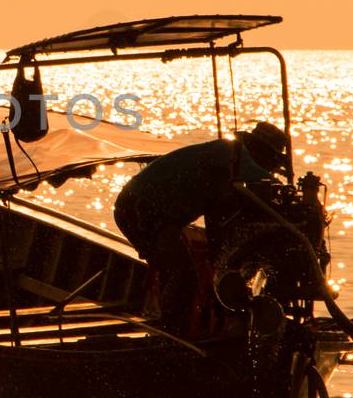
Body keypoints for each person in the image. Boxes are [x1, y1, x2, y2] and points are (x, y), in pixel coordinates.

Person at [113, 122, 290, 320]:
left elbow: (214, 222)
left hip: (146, 208)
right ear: (260, 149)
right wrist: (286, 193)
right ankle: (171, 330)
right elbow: (265, 180)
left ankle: (170, 323)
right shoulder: (233, 154)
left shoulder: (227, 164)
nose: (271, 166)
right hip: (140, 207)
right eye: (272, 160)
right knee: (183, 272)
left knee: (172, 267)